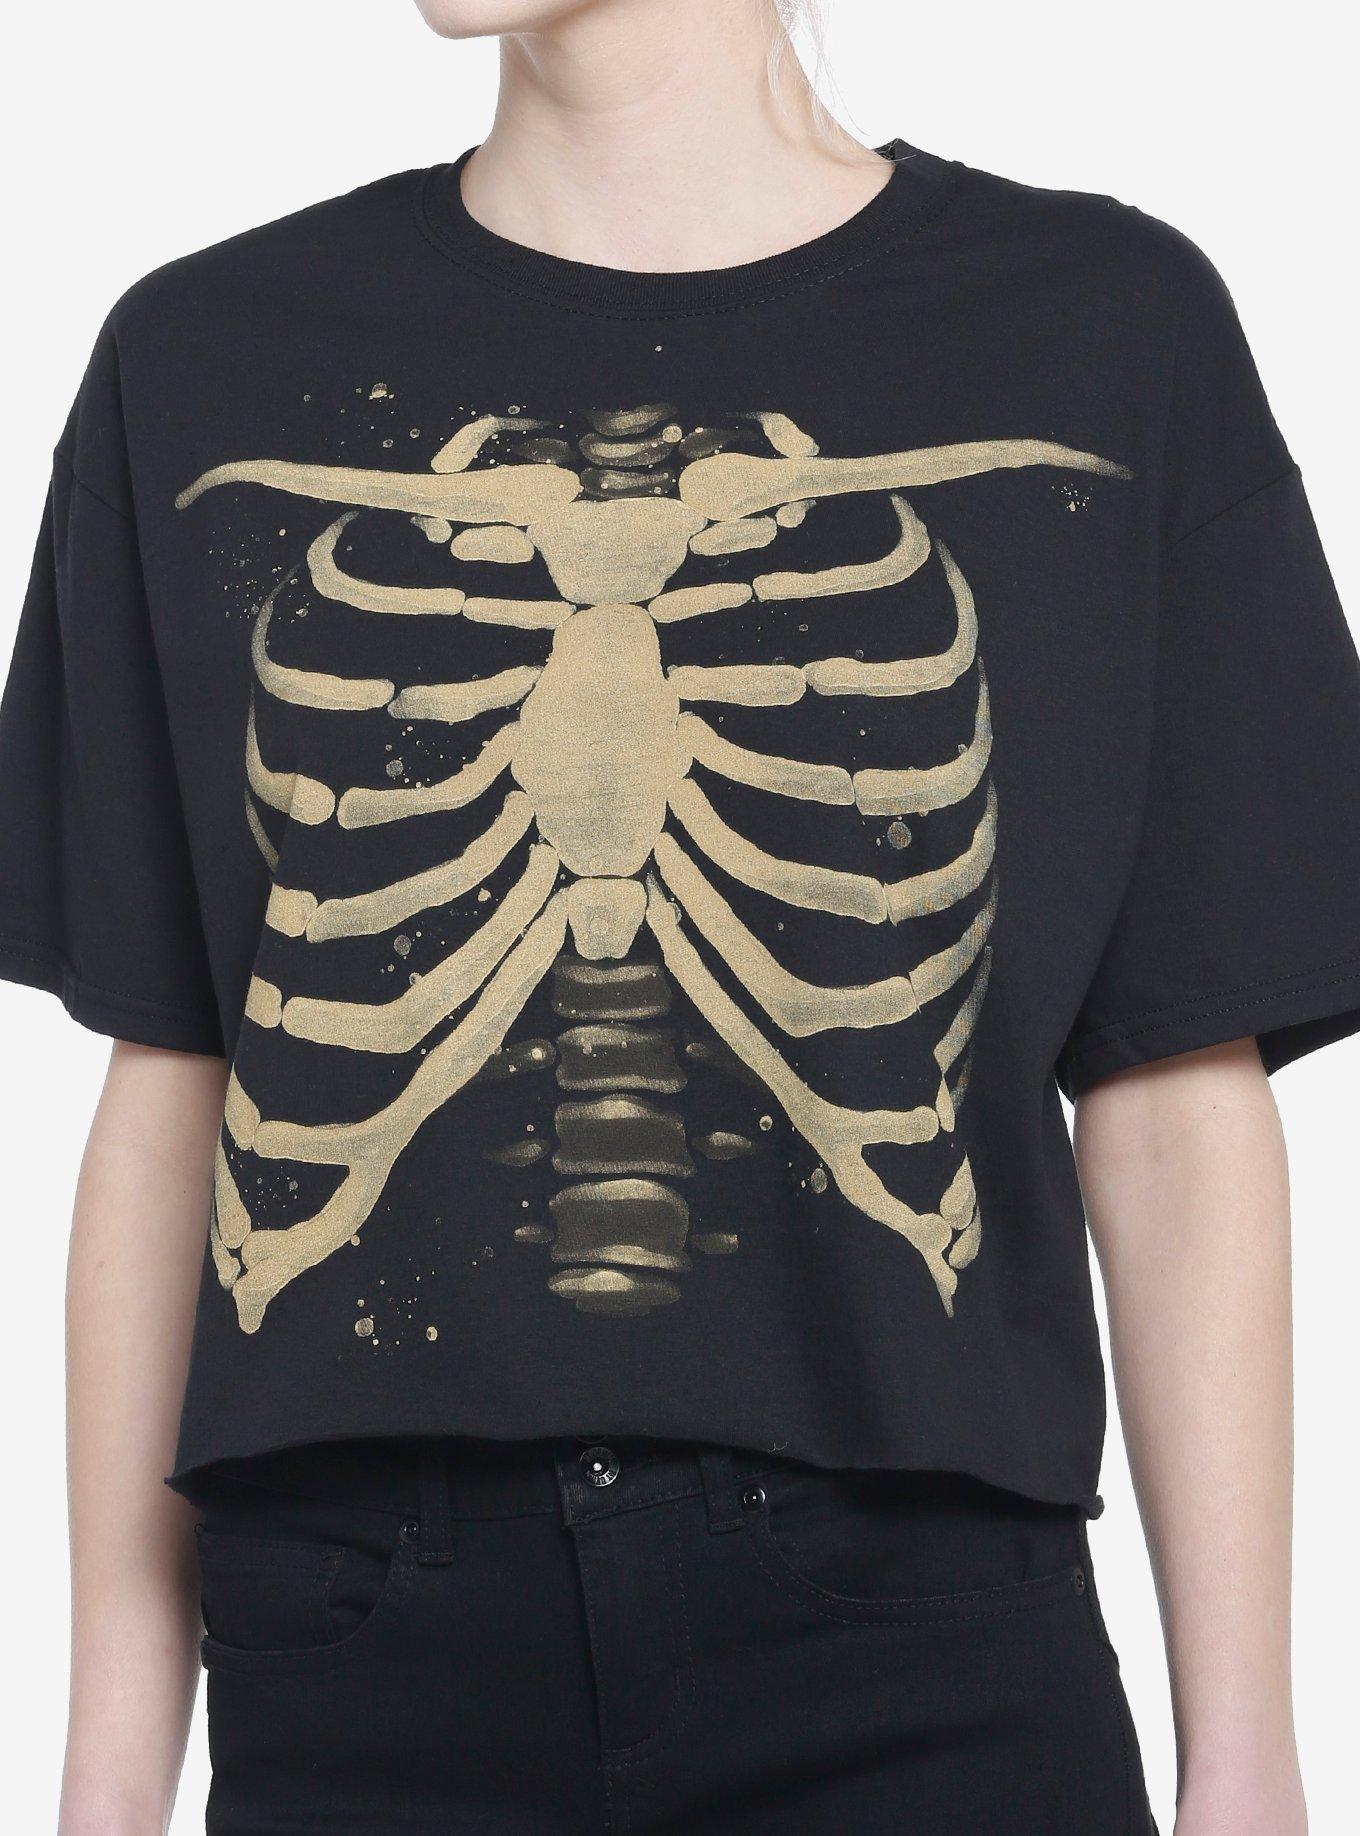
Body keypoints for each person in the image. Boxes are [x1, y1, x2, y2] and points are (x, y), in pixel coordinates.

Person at [2, 1, 1354, 1830]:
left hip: (920, 1646)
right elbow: (179, 1082)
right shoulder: (204, 354)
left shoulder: (1106, 331)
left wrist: (1250, 1762)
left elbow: (1175, 1086)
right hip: (366, 1650)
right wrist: (102, 1779)